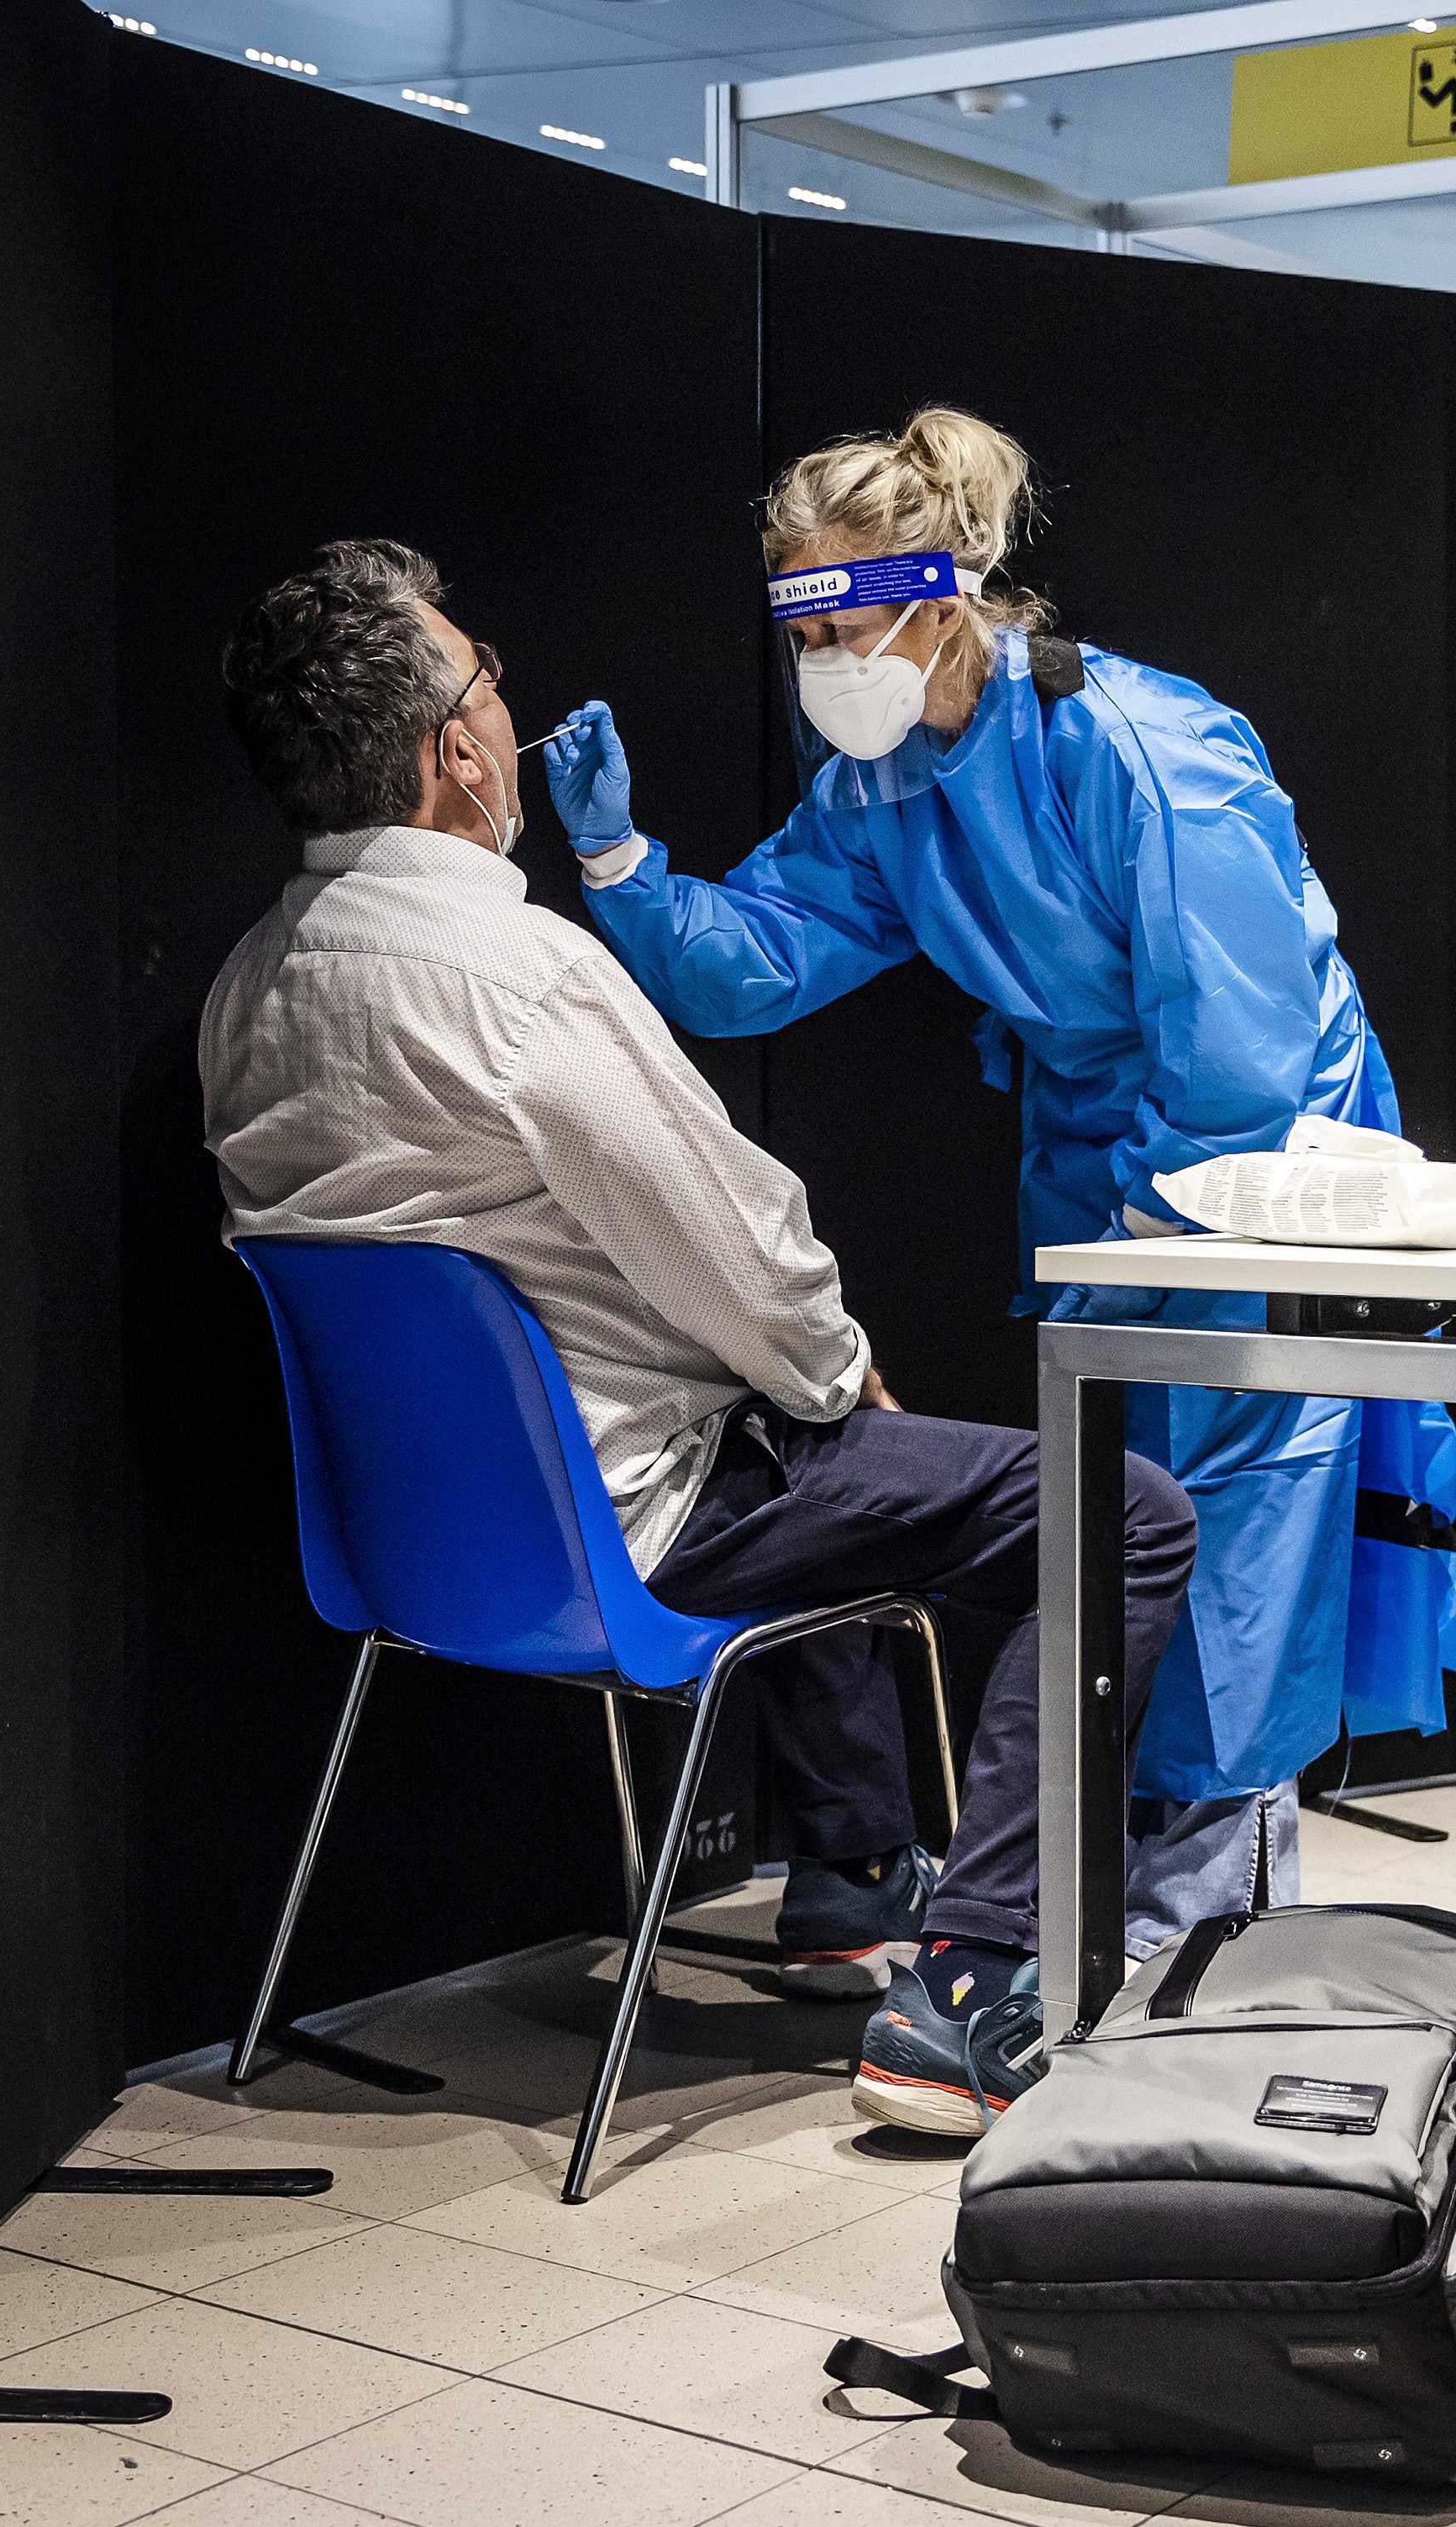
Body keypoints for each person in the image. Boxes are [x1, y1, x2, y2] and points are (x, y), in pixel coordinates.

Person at [197, 539, 1194, 2135]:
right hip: (636, 1530)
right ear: (459, 750)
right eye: (489, 684)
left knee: (786, 1420)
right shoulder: (518, 976)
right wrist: (837, 1363)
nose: (506, 712)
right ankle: (968, 1982)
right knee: (1112, 1513)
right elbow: (745, 1243)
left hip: (418, 1557)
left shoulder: (245, 989)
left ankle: (856, 1869)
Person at [547, 411, 1456, 1949]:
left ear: (942, 593)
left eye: (847, 622)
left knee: (1239, 1518)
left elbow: (1240, 1037)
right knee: (1126, 1520)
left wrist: (1167, 1214)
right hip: (1096, 1164)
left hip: (1251, 1166)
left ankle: (1214, 1927)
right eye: (801, 633)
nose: (826, 663)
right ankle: (1098, 1899)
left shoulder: (1140, 744)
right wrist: (621, 868)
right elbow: (759, 964)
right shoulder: (881, 786)